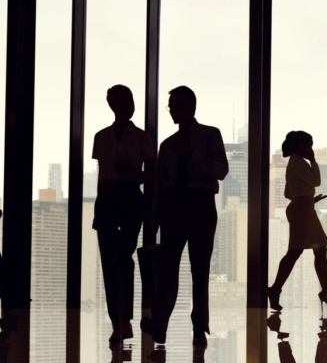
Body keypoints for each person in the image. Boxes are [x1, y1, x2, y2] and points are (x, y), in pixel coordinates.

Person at [141, 86, 228, 348]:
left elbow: (221, 171)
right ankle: (160, 324)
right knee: (168, 270)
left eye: (176, 105)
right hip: (173, 206)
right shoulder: (166, 146)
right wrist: (154, 221)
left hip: (201, 204)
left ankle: (199, 328)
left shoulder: (210, 136)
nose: (172, 110)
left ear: (191, 106)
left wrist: (192, 156)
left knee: (199, 270)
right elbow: (158, 186)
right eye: (170, 106)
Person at [91, 84, 156, 345]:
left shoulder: (142, 137)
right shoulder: (101, 136)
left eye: (130, 100)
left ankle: (124, 320)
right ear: (112, 105)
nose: (129, 106)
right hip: (107, 197)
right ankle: (118, 322)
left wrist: (133, 173)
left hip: (131, 196)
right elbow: (101, 176)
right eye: (123, 102)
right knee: (109, 260)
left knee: (121, 257)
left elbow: (152, 176)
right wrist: (98, 207)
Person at [267, 131, 327, 314]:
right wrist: (313, 160)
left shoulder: (294, 164)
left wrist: (307, 199)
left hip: (302, 209)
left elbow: (288, 194)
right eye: (309, 146)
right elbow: (317, 180)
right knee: (311, 250)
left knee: (306, 251)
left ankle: (276, 290)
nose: (311, 149)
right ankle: (326, 293)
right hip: (302, 211)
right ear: (301, 146)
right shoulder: (299, 163)